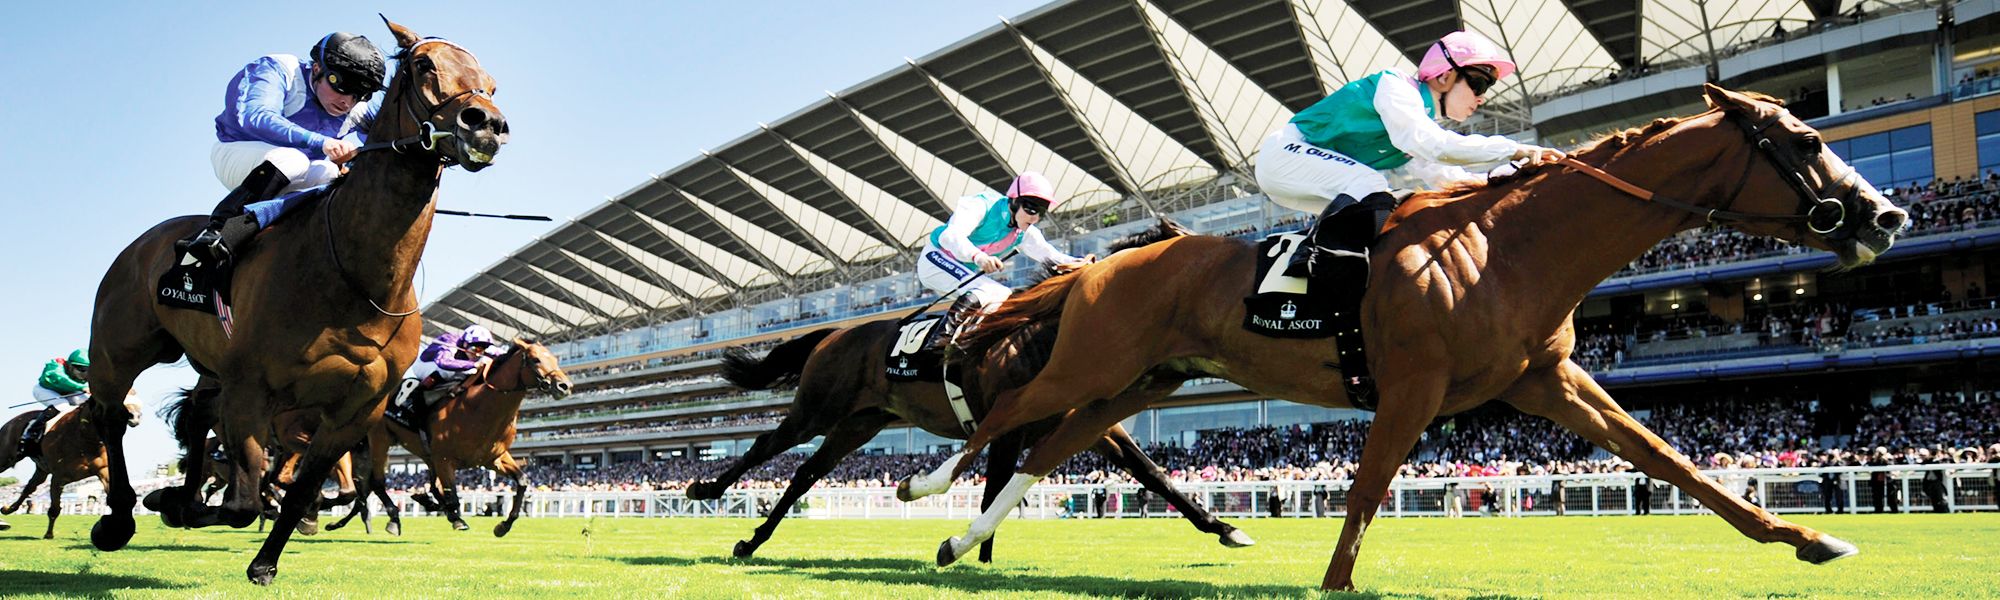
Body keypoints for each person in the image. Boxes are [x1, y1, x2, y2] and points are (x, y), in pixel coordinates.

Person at [1255, 30, 1565, 281]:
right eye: (1479, 82)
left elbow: (1449, 177)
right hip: (1284, 155)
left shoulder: (1417, 121)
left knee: (1387, 204)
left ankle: (1314, 267)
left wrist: (1502, 178)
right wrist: (1515, 147)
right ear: (1444, 77)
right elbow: (1437, 146)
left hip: (1300, 175)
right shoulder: (1396, 87)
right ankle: (1316, 261)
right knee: (1372, 185)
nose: (1482, 97)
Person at [179, 32, 387, 265]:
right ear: (317, 68)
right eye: (342, 85)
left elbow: (392, 134)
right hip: (237, 153)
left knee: (329, 174)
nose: (346, 102)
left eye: (358, 94)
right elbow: (256, 116)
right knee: (293, 159)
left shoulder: (354, 110)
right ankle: (219, 229)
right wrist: (322, 142)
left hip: (291, 175)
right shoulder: (280, 69)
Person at [915, 172, 1093, 326]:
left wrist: (1084, 264)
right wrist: (978, 257)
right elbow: (950, 236)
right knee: (995, 291)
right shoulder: (981, 205)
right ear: (1014, 201)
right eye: (1031, 208)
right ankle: (939, 343)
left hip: (962, 274)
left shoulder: (1024, 232)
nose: (1035, 217)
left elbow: (1050, 255)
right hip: (935, 259)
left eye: (1041, 212)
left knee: (1002, 301)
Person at [385, 325, 499, 432]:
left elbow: (501, 353)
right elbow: (443, 362)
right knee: (449, 371)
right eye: (476, 349)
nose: (478, 354)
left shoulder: (473, 347)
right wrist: (473, 365)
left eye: (482, 350)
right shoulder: (449, 341)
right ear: (465, 344)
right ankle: (412, 398)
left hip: (446, 366)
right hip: (424, 365)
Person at [19, 349, 90, 457]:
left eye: (89, 370)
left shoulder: (83, 373)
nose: (86, 374)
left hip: (70, 391)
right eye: (83, 370)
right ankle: (30, 433)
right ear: (70, 366)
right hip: (46, 389)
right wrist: (82, 387)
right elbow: (61, 380)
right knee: (63, 406)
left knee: (87, 403)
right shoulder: (55, 367)